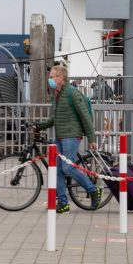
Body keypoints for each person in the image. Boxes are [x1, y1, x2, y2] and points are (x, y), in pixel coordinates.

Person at [34, 64, 100, 214]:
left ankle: (93, 189)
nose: (49, 79)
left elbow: (84, 115)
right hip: (60, 136)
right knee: (57, 170)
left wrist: (91, 138)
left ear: (60, 78)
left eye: (52, 76)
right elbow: (55, 118)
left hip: (72, 136)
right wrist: (39, 126)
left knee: (67, 167)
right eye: (50, 76)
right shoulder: (56, 94)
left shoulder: (72, 93)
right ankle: (63, 204)